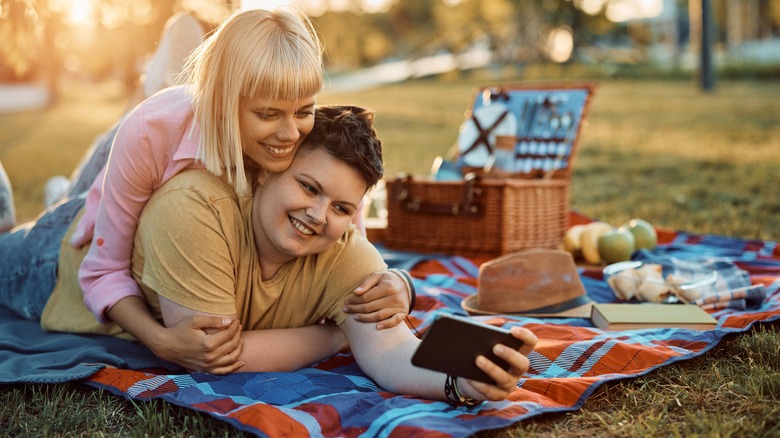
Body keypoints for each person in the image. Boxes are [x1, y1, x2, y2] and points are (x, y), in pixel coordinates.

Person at [0, 105, 538, 405]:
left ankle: (76, 184)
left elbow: (393, 350)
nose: (319, 215)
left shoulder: (344, 246)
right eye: (307, 187)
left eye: (342, 206)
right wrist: (335, 332)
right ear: (266, 169)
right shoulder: (195, 207)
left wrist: (459, 382)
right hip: (55, 262)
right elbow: (213, 354)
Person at [3, 8, 412, 373]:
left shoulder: (299, 129)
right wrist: (158, 339)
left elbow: (349, 240)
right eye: (269, 114)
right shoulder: (155, 131)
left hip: (129, 207)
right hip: (64, 247)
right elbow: (101, 270)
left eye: (304, 110)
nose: (291, 134)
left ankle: (66, 189)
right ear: (224, 100)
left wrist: (398, 285)